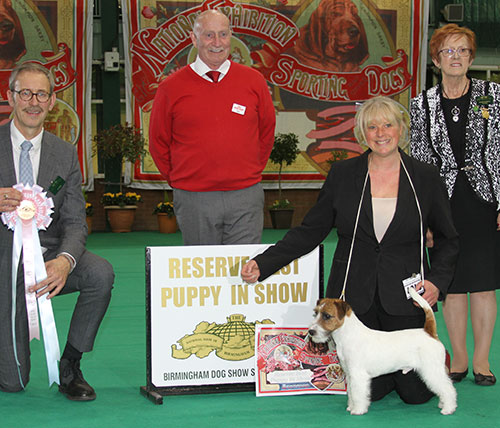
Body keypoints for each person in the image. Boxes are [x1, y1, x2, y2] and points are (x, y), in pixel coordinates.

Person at [242, 96, 459, 404]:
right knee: (376, 388)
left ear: (401, 129)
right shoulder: (343, 175)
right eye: (372, 126)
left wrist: (437, 281)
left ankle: (437, 358)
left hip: (404, 297)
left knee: (415, 394)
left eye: (388, 124)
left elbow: (449, 239)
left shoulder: (424, 177)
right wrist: (264, 263)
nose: (381, 133)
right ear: (362, 133)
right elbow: (311, 230)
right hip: (354, 298)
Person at [0, 62, 114, 400]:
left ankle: (71, 365)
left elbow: (76, 221)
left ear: (52, 102)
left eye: (42, 94)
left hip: (47, 257)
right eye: (25, 93)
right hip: (3, 265)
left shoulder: (64, 154)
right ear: (10, 97)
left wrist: (64, 261)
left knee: (99, 273)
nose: (33, 102)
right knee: (13, 381)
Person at [410, 24, 500, 386]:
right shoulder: (421, 104)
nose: (457, 57)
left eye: (463, 50)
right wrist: (425, 219)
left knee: (482, 283)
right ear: (436, 59)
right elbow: (418, 161)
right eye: (449, 51)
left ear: (471, 57)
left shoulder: (493, 96)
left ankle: (482, 362)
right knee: (452, 283)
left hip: (485, 201)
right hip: (442, 204)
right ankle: (458, 358)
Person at [149, 9, 276, 245]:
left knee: (244, 272)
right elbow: (158, 141)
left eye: (223, 34)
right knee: (204, 276)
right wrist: (184, 180)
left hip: (245, 195)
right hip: (194, 198)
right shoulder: (170, 87)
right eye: (209, 35)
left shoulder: (254, 81)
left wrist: (247, 171)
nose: (217, 43)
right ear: (194, 39)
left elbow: (266, 131)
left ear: (231, 37)